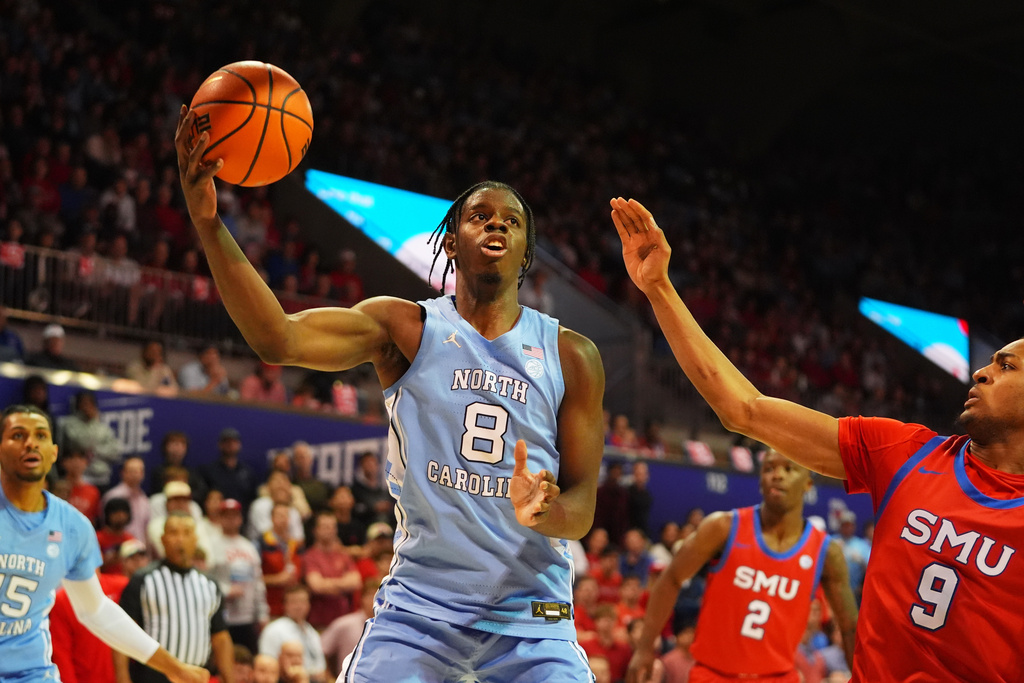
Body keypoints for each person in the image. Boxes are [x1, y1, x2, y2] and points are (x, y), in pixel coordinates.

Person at [178, 108, 605, 683]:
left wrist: (546, 511)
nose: (497, 226)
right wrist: (209, 223)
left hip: (533, 617)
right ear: (450, 240)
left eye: (512, 221)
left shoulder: (573, 356)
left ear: (526, 250)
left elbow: (582, 510)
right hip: (420, 610)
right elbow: (277, 339)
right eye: (480, 216)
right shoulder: (404, 328)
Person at [610, 197, 1023, 681]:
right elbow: (744, 408)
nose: (980, 372)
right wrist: (658, 287)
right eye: (989, 362)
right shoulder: (905, 452)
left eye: (1006, 366)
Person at [0, 404, 208, 683]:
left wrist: (173, 667)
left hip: (32, 675)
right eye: (18, 435)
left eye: (40, 435)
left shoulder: (73, 526)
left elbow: (95, 610)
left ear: (53, 453)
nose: (30, 443)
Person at [626, 450, 856, 683]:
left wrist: (861, 676)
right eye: (769, 468)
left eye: (788, 469)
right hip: (714, 675)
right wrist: (645, 647)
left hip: (777, 677)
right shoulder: (723, 527)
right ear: (760, 480)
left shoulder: (826, 552)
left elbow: (849, 626)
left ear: (808, 483)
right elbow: (671, 578)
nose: (777, 475)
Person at [117, 512, 234, 683]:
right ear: (163, 540)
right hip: (153, 677)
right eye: (173, 533)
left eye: (187, 533)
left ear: (195, 539)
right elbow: (123, 633)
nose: (180, 539)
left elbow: (220, 638)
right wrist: (122, 679)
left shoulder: (210, 584)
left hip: (196, 675)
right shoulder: (142, 580)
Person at [211, 498, 269, 655]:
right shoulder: (211, 545)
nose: (231, 519)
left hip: (247, 617)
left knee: (247, 659)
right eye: (226, 516)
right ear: (220, 518)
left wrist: (262, 614)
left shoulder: (249, 547)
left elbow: (258, 583)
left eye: (234, 515)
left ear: (240, 519)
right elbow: (204, 580)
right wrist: (225, 590)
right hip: (222, 617)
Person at [302, 511, 362, 630]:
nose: (330, 530)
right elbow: (316, 586)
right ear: (315, 530)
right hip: (319, 622)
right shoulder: (310, 556)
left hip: (343, 619)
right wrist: (343, 584)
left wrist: (328, 584)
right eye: (325, 527)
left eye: (332, 527)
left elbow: (356, 582)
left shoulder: (343, 554)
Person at [257, 586, 327, 683]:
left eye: (302, 601)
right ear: (284, 605)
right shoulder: (273, 630)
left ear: (308, 604)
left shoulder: (312, 633)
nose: (299, 606)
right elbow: (266, 666)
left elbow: (321, 667)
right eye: (294, 602)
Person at [62, 390, 123, 489]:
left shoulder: (101, 426)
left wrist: (95, 451)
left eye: (90, 403)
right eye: (84, 403)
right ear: (77, 405)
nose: (87, 407)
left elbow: (116, 452)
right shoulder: (69, 424)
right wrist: (91, 423)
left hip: (102, 476)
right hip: (82, 477)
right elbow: (84, 444)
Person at [199, 427, 257, 512]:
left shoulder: (248, 473)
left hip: (241, 518)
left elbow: (252, 499)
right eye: (227, 442)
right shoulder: (207, 471)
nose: (230, 445)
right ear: (220, 445)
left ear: (239, 445)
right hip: (216, 517)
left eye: (234, 442)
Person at [102, 455, 152, 542]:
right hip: (118, 546)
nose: (135, 474)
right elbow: (106, 525)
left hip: (139, 546)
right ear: (123, 472)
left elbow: (145, 528)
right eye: (132, 471)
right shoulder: (113, 496)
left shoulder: (144, 499)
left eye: (139, 471)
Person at [831, 510, 871, 604]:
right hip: (835, 590)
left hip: (855, 591)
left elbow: (870, 568)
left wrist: (862, 561)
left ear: (854, 526)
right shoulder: (832, 541)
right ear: (840, 526)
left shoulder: (862, 545)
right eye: (844, 525)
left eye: (849, 525)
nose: (847, 528)